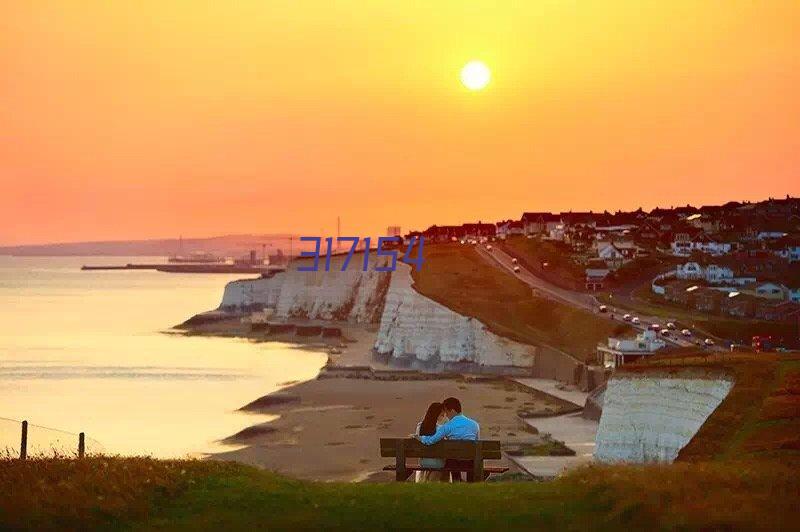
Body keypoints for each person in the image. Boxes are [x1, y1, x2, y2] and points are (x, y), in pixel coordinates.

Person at [417, 397, 480, 482]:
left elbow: (431, 440)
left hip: (454, 463)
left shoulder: (447, 426)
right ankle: (471, 485)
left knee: (451, 459)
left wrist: (420, 438)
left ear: (452, 411)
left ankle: (455, 482)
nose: (446, 415)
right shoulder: (475, 424)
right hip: (470, 462)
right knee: (470, 458)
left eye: (446, 412)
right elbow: (477, 444)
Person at [414, 402, 448, 482]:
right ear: (437, 415)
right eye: (442, 415)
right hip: (438, 464)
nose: (443, 417)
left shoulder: (419, 427)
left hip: (423, 462)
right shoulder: (440, 429)